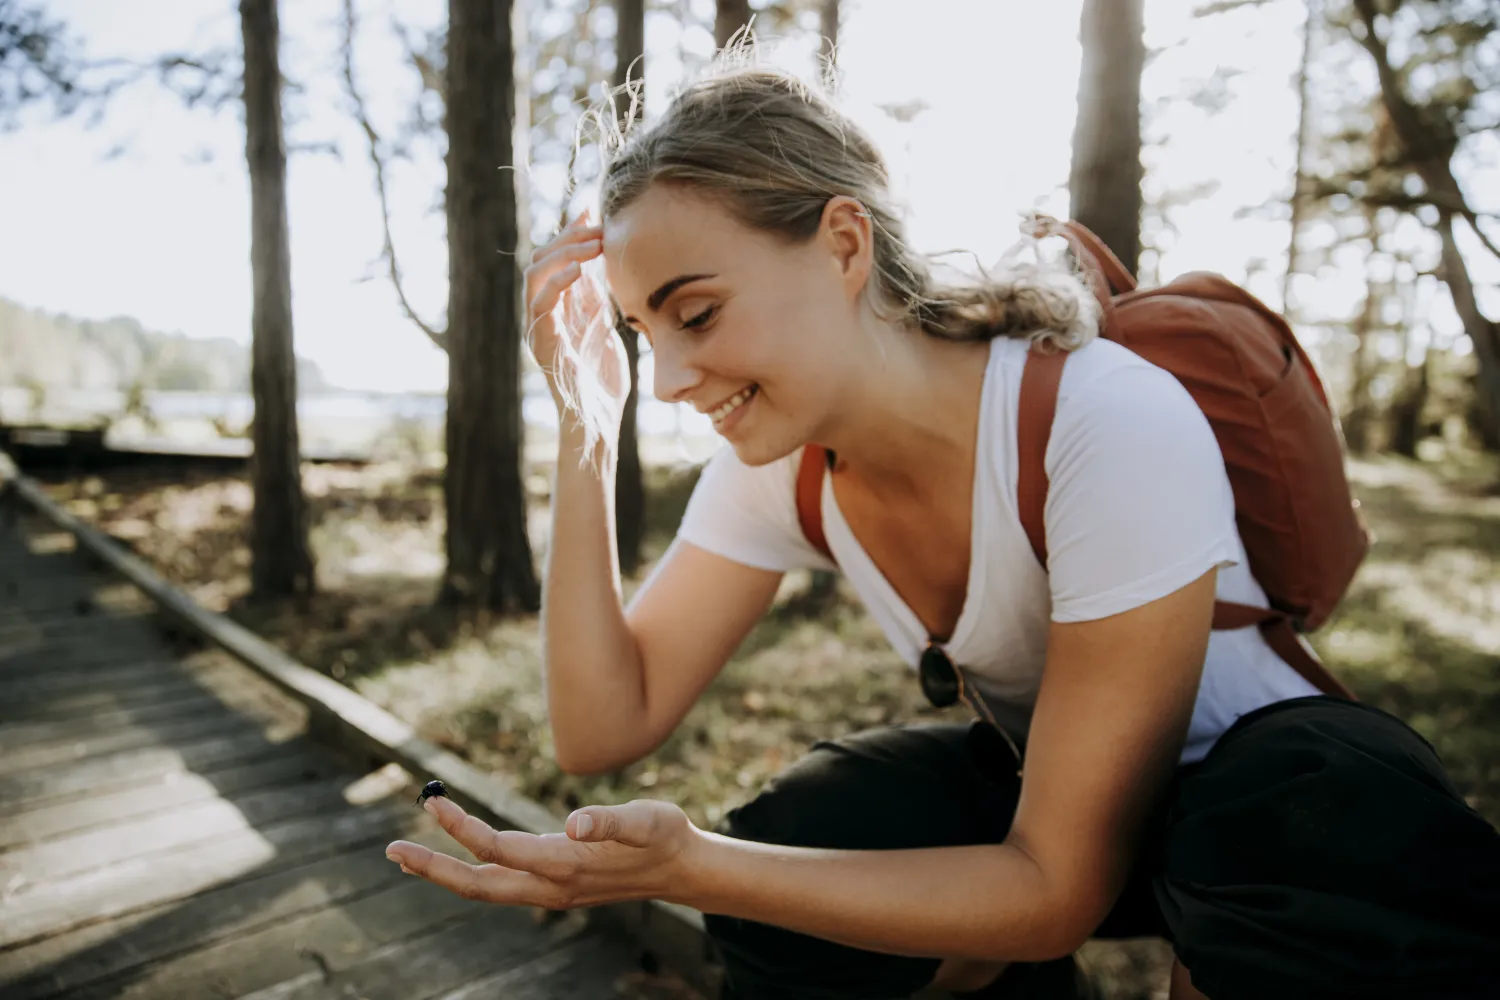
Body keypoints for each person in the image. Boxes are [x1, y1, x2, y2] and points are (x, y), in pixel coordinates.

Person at [382, 59, 1500, 999]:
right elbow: (599, 724)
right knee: (807, 836)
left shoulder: (1099, 416)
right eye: (639, 334)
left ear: (844, 243)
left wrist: (696, 867)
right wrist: (586, 419)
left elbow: (1054, 882)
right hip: (1061, 816)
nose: (669, 376)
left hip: (1282, 838)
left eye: (698, 313)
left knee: (1288, 811)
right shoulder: (784, 458)